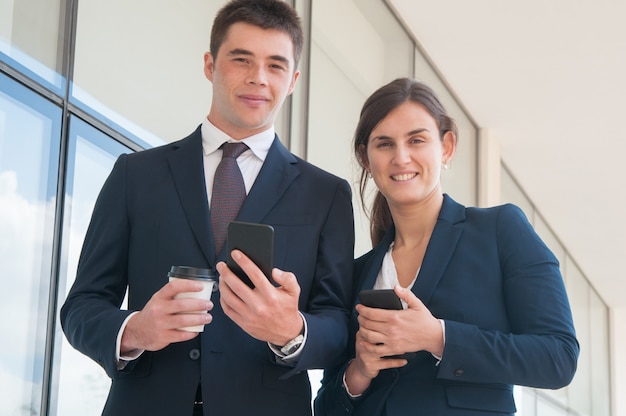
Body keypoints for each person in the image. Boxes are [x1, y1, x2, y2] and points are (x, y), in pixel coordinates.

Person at [60, 1, 354, 415]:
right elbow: (81, 306)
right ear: (209, 64)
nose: (258, 78)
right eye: (241, 59)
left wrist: (293, 330)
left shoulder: (326, 195)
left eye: (275, 65)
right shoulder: (136, 175)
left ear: (293, 80)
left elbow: (339, 325)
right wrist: (136, 329)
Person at [314, 77, 579, 415]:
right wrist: (360, 371)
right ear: (366, 159)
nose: (401, 157)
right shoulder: (357, 273)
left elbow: (558, 358)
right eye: (384, 144)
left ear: (447, 147)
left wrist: (438, 337)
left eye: (417, 140)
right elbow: (325, 407)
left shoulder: (500, 231)